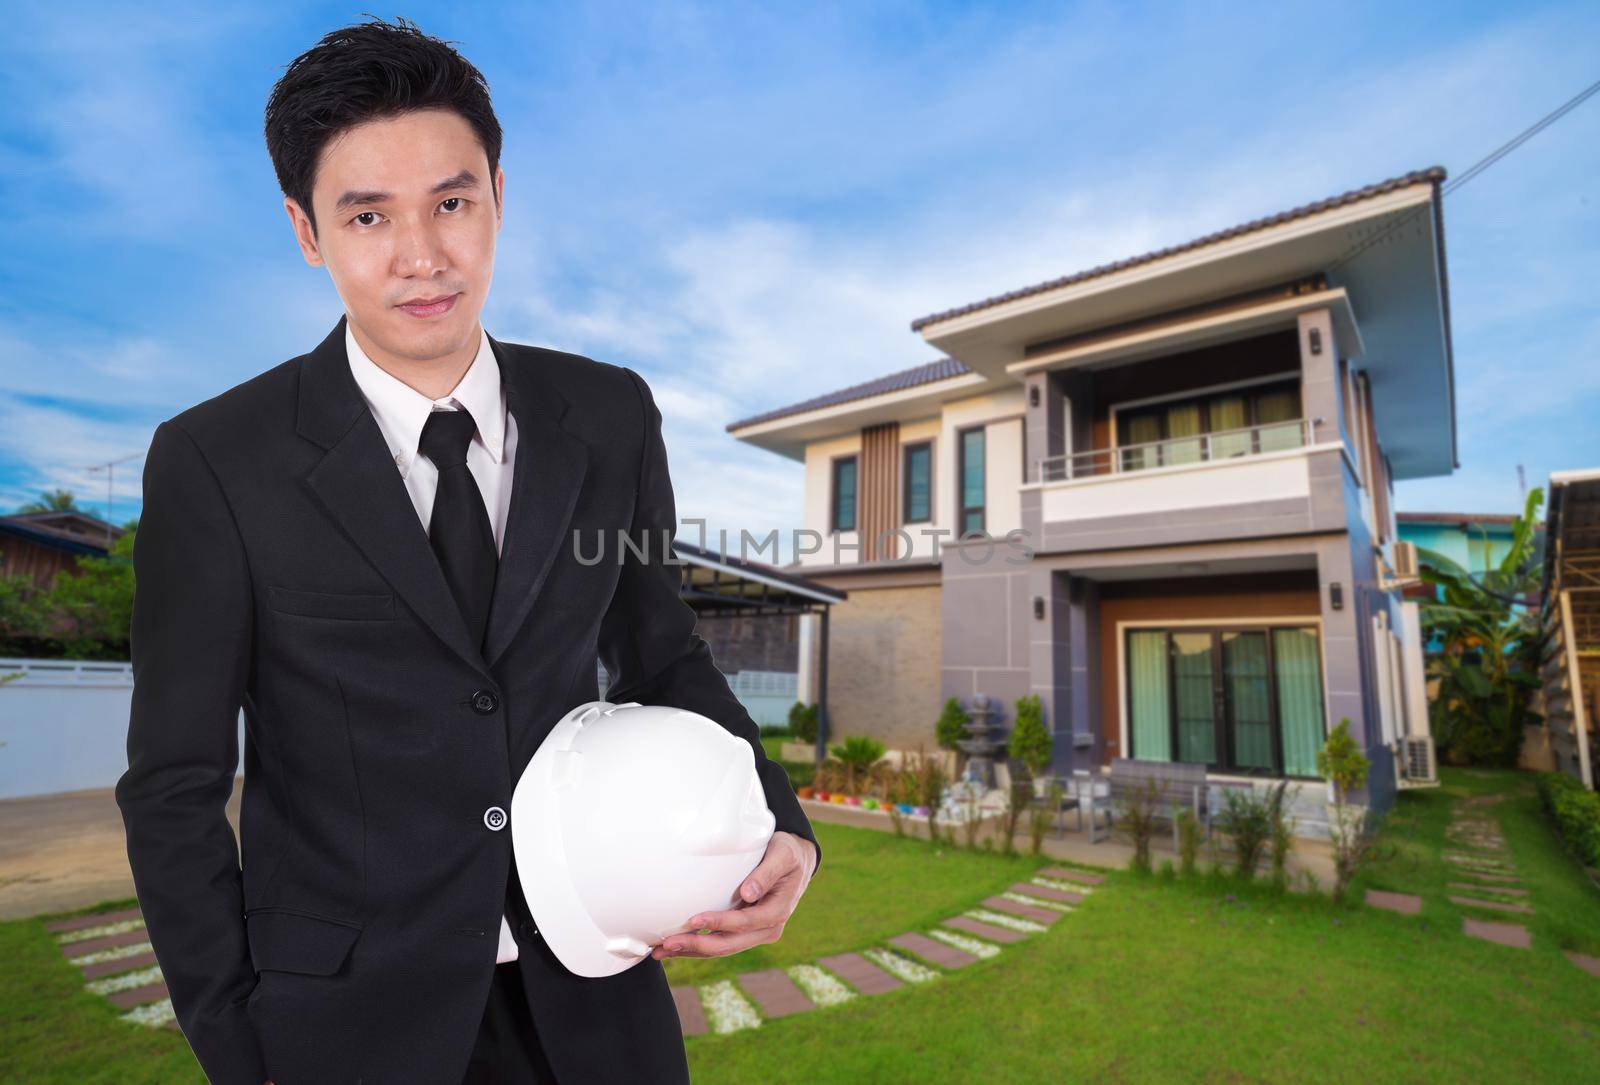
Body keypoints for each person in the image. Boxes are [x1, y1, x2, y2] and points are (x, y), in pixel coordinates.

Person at [114, 16, 820, 1085]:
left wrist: (781, 821)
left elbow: (662, 655)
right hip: (340, 1028)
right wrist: (239, 1043)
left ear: (499, 194)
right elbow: (175, 781)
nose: (424, 256)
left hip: (599, 1005)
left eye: (453, 202)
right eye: (368, 215)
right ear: (307, 230)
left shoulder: (610, 412)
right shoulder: (216, 460)